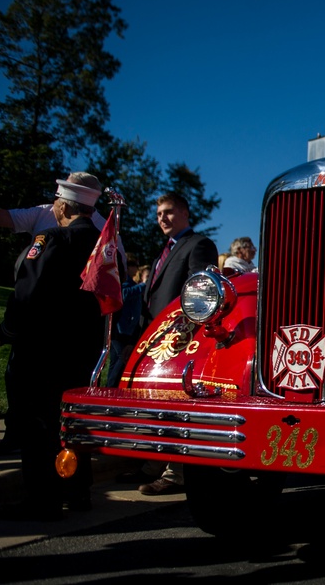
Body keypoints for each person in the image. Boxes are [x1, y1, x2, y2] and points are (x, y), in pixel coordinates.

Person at [0, 179, 105, 520]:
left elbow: (27, 295)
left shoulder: (53, 238)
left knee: (38, 428)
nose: (53, 206)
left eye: (56, 201)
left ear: (65, 206)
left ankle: (42, 498)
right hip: (82, 351)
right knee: (70, 426)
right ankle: (76, 490)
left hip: (43, 353)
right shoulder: (103, 245)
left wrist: (6, 331)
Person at [131, 191, 219, 496]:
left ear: (185, 213)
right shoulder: (164, 250)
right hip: (155, 340)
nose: (162, 219)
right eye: (158, 215)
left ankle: (176, 472)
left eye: (168, 212)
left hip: (181, 340)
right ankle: (153, 463)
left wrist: (184, 331)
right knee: (156, 406)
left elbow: (200, 290)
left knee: (177, 406)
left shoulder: (199, 245)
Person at [108, 254, 145, 387]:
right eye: (133, 265)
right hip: (119, 328)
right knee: (121, 358)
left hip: (127, 328)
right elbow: (124, 294)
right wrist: (143, 286)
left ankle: (110, 387)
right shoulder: (123, 281)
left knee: (115, 361)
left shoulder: (132, 283)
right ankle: (111, 387)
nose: (136, 269)